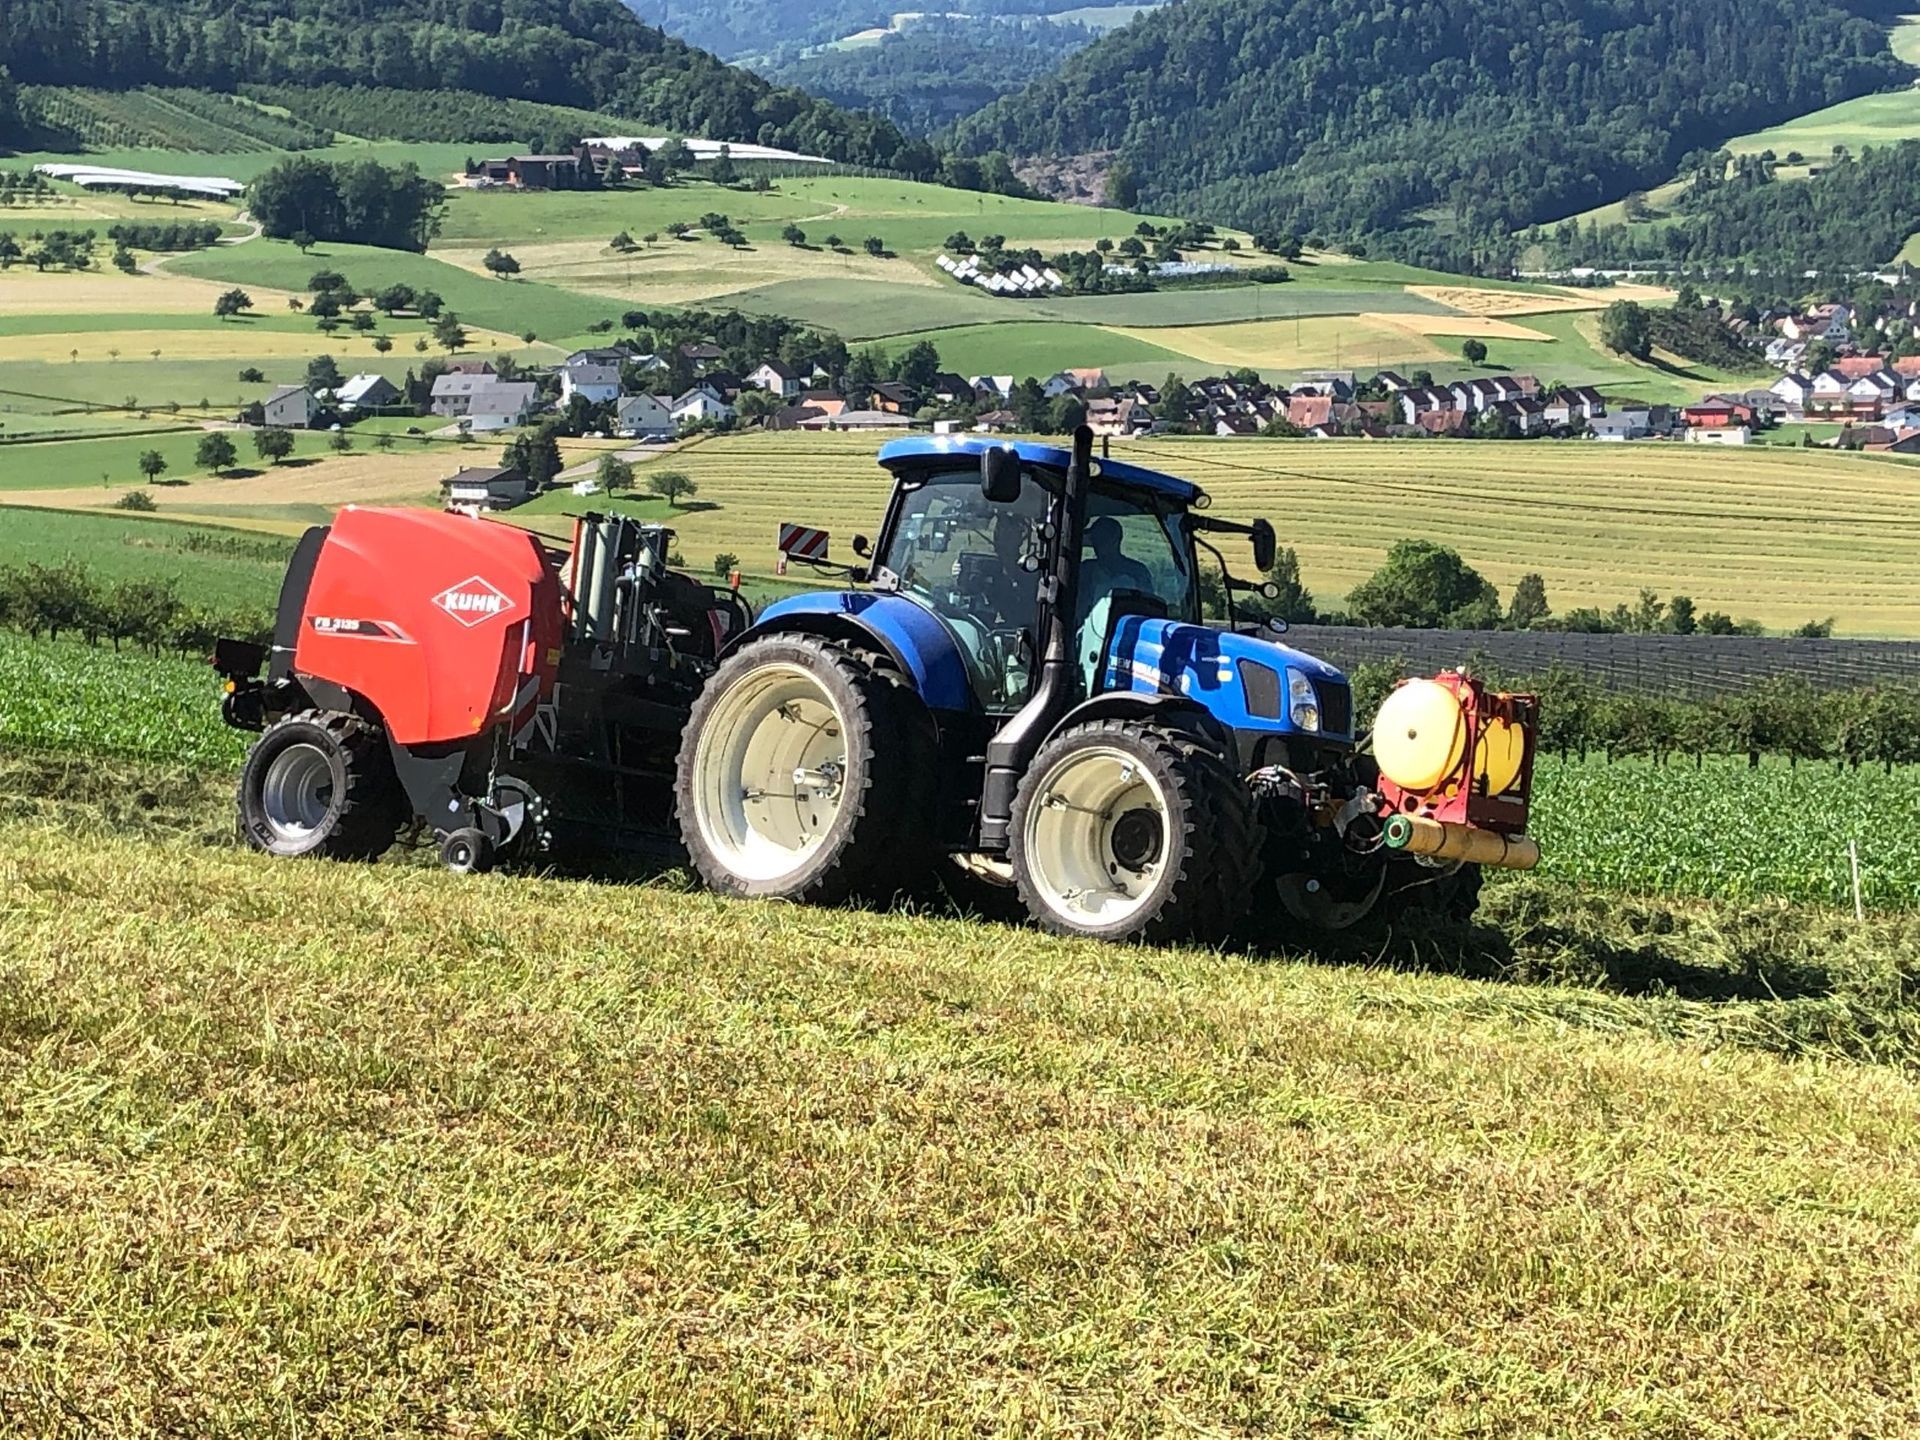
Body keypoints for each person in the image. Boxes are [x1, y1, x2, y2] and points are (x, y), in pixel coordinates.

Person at [1082, 515, 1152, 599]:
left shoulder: (1137, 572)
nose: (1098, 544)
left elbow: (1146, 604)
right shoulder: (1086, 569)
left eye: (1103, 539)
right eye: (1095, 538)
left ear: (1115, 540)